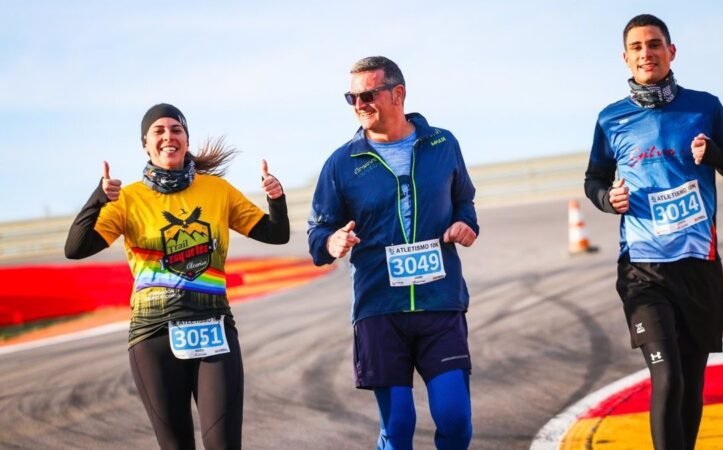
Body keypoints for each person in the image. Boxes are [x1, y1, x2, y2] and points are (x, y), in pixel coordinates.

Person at [64, 103, 290, 449]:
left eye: (176, 129)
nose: (168, 136)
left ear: (186, 139)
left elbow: (276, 234)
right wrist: (97, 198)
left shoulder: (217, 190)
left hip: (213, 327)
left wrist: (276, 199)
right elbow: (75, 248)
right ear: (145, 145)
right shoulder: (127, 200)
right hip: (153, 336)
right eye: (159, 131)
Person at [584, 15, 723, 450]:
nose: (647, 53)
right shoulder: (611, 119)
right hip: (644, 270)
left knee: (691, 388)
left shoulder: (705, 107)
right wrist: (609, 199)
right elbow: (594, 180)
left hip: (699, 267)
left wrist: (714, 154)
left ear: (671, 51)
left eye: (655, 44)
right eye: (637, 47)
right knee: (668, 376)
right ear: (625, 58)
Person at [307, 56, 478, 449]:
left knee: (455, 418)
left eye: (367, 94)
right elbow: (318, 232)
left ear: (398, 93)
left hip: (440, 302)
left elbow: (464, 202)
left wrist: (466, 224)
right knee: (399, 425)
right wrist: (331, 242)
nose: (358, 104)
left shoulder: (442, 143)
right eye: (351, 97)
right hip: (379, 309)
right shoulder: (341, 163)